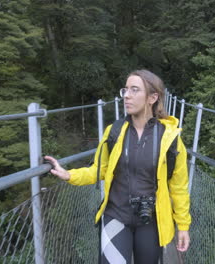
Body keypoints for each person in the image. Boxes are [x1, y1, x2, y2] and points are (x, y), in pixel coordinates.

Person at [44, 69, 191, 264]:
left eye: (135, 90)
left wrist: (183, 226)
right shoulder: (113, 132)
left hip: (151, 220)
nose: (126, 96)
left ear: (152, 97)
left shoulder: (170, 138)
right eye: (125, 90)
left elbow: (178, 187)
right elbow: (100, 169)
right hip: (116, 215)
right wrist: (69, 174)